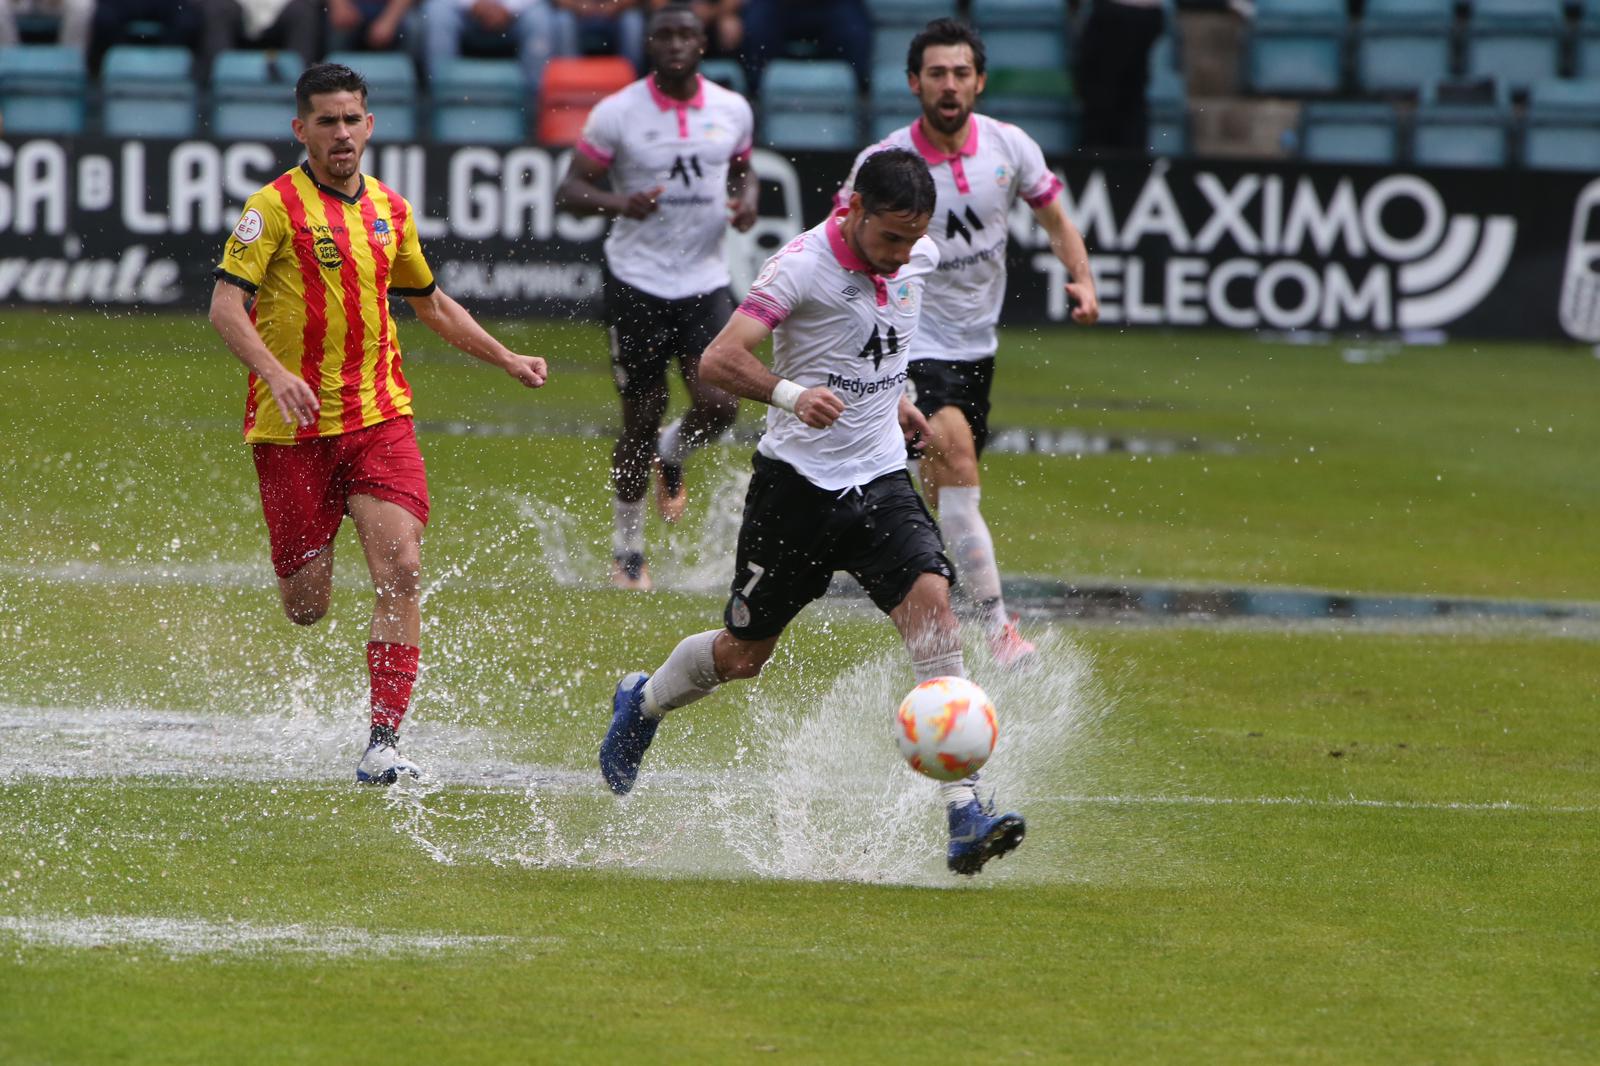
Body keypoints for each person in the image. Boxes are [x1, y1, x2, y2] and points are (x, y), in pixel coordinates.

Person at [599, 148, 1026, 877]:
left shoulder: (917, 254)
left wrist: (897, 404)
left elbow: (870, 350)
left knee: (933, 610)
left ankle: (965, 810)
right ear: (854, 210)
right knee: (743, 656)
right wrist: (793, 396)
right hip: (796, 489)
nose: (900, 254)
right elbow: (718, 359)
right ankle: (642, 702)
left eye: (912, 237)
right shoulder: (801, 265)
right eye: (889, 237)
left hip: (881, 480)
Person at [208, 63, 549, 785]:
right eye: (325, 122)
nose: (341, 134)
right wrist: (275, 371)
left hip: (379, 418)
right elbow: (223, 308)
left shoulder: (390, 211)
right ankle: (364, 706)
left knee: (401, 569)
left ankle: (383, 742)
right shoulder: (270, 210)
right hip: (291, 431)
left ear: (370, 124)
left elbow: (432, 305)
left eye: (351, 119)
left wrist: (506, 357)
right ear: (300, 130)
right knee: (308, 606)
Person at [837, 18, 1100, 668]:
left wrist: (1083, 280)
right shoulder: (884, 161)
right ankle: (999, 629)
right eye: (936, 74)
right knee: (955, 464)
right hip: (908, 340)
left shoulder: (1010, 148)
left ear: (979, 80)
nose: (949, 86)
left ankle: (906, 576)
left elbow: (1055, 220)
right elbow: (840, 240)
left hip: (977, 349)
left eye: (960, 73)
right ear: (913, 83)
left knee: (948, 491)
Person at [556, 1, 756, 591]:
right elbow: (570, 189)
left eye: (685, 35)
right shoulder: (619, 112)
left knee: (720, 404)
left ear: (702, 44)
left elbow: (743, 170)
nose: (674, 44)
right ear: (650, 46)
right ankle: (628, 551)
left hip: (704, 279)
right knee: (639, 417)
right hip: (637, 280)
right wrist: (622, 203)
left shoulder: (732, 108)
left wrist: (746, 203)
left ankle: (675, 453)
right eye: (663, 35)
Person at [1075, 0, 1165, 155]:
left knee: (1103, 92)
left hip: (1117, 13)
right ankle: (1129, 161)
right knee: (1131, 90)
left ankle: (1099, 160)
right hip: (1148, 14)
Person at [421, 0, 568, 94]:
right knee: (436, 12)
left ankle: (534, 105)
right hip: (463, 13)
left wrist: (510, 7)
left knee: (540, 20)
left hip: (518, 14)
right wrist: (473, 4)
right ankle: (442, 97)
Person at [199, 0, 321, 80]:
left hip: (285, 11)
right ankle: (216, 97)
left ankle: (302, 97)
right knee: (217, 9)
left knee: (302, 12)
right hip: (236, 12)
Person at [327, 0, 416, 54]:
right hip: (351, 7)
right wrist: (339, 6)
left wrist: (389, 20)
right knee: (338, 32)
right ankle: (333, 78)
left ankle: (413, 80)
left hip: (389, 7)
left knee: (413, 28)